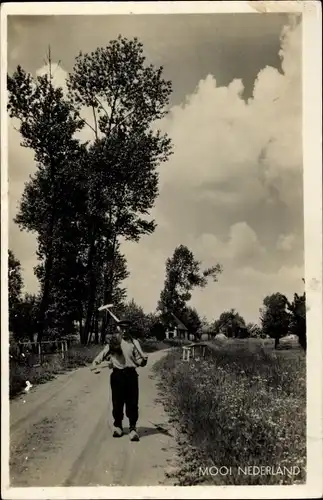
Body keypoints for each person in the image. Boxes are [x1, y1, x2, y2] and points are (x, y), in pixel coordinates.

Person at [91, 319, 148, 442]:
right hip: (117, 375)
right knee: (117, 402)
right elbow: (103, 353)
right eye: (122, 328)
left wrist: (143, 361)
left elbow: (139, 361)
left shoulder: (134, 343)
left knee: (132, 403)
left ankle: (133, 428)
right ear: (119, 329)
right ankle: (118, 426)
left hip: (131, 375)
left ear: (129, 329)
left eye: (127, 328)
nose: (125, 331)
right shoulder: (114, 342)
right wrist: (95, 362)